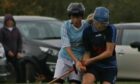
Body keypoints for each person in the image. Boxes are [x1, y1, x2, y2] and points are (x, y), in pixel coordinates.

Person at [53, 2, 88, 84]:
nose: (75, 20)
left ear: (81, 16)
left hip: (79, 58)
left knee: (74, 82)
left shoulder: (86, 26)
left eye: (78, 17)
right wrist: (76, 61)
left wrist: (79, 62)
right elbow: (66, 45)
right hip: (64, 57)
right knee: (57, 82)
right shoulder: (65, 26)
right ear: (70, 16)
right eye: (73, 17)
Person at [82, 7, 117, 84]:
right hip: (94, 66)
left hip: (109, 66)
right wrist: (84, 64)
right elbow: (87, 51)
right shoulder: (87, 31)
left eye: (103, 24)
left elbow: (109, 52)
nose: (101, 26)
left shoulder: (111, 29)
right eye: (98, 23)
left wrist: (91, 60)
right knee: (86, 82)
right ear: (94, 21)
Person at [0, 14, 23, 83]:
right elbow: (1, 43)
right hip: (5, 54)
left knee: (18, 69)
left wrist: (19, 51)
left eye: (11, 20)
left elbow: (19, 41)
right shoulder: (2, 30)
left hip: (15, 54)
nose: (10, 22)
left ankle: (20, 81)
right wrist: (8, 51)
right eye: (8, 21)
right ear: (5, 22)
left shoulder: (16, 30)